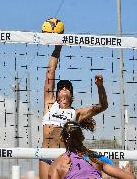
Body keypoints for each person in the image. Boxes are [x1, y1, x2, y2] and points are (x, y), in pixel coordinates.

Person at [40, 45, 109, 179]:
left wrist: (100, 87)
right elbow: (50, 71)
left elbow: (103, 106)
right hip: (46, 154)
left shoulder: (76, 113)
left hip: (65, 157)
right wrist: (57, 48)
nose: (64, 89)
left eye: (67, 88)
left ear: (71, 95)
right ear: (57, 93)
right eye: (61, 88)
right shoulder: (50, 104)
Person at [48, 121, 135, 179]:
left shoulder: (57, 165)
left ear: (61, 138)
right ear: (82, 137)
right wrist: (128, 173)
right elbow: (130, 178)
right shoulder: (94, 159)